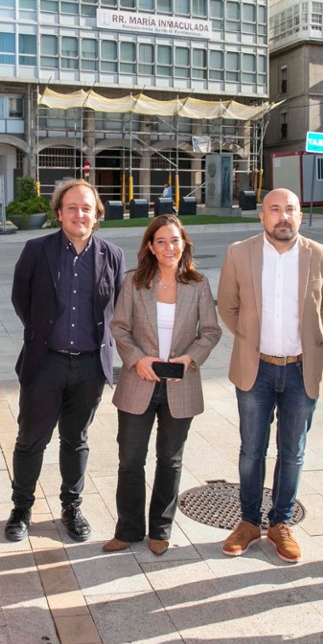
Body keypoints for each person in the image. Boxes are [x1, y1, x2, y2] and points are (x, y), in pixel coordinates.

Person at [217, 188, 323, 562]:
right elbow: (228, 305)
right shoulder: (240, 253)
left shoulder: (322, 256)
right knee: (251, 451)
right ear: (262, 216)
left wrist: (306, 341)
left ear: (300, 216)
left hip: (301, 370)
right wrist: (252, 340)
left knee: (293, 452)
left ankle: (280, 522)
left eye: (290, 209)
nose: (282, 216)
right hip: (256, 369)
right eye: (275, 209)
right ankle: (249, 521)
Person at [4, 179, 124, 543]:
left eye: (86, 207)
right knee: (30, 440)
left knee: (76, 440)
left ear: (97, 214)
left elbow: (115, 306)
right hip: (46, 364)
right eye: (71, 207)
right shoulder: (36, 250)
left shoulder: (112, 255)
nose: (79, 214)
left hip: (89, 367)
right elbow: (20, 300)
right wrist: (44, 336)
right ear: (58, 213)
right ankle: (21, 508)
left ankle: (72, 507)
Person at [104, 215, 221, 555]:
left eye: (175, 241)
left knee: (169, 460)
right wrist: (137, 358)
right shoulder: (134, 283)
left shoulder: (198, 284)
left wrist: (191, 358)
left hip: (179, 384)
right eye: (161, 242)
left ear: (184, 245)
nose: (169, 247)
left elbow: (211, 331)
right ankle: (127, 530)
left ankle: (160, 529)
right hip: (138, 381)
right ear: (151, 248)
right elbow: (119, 326)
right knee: (130, 460)